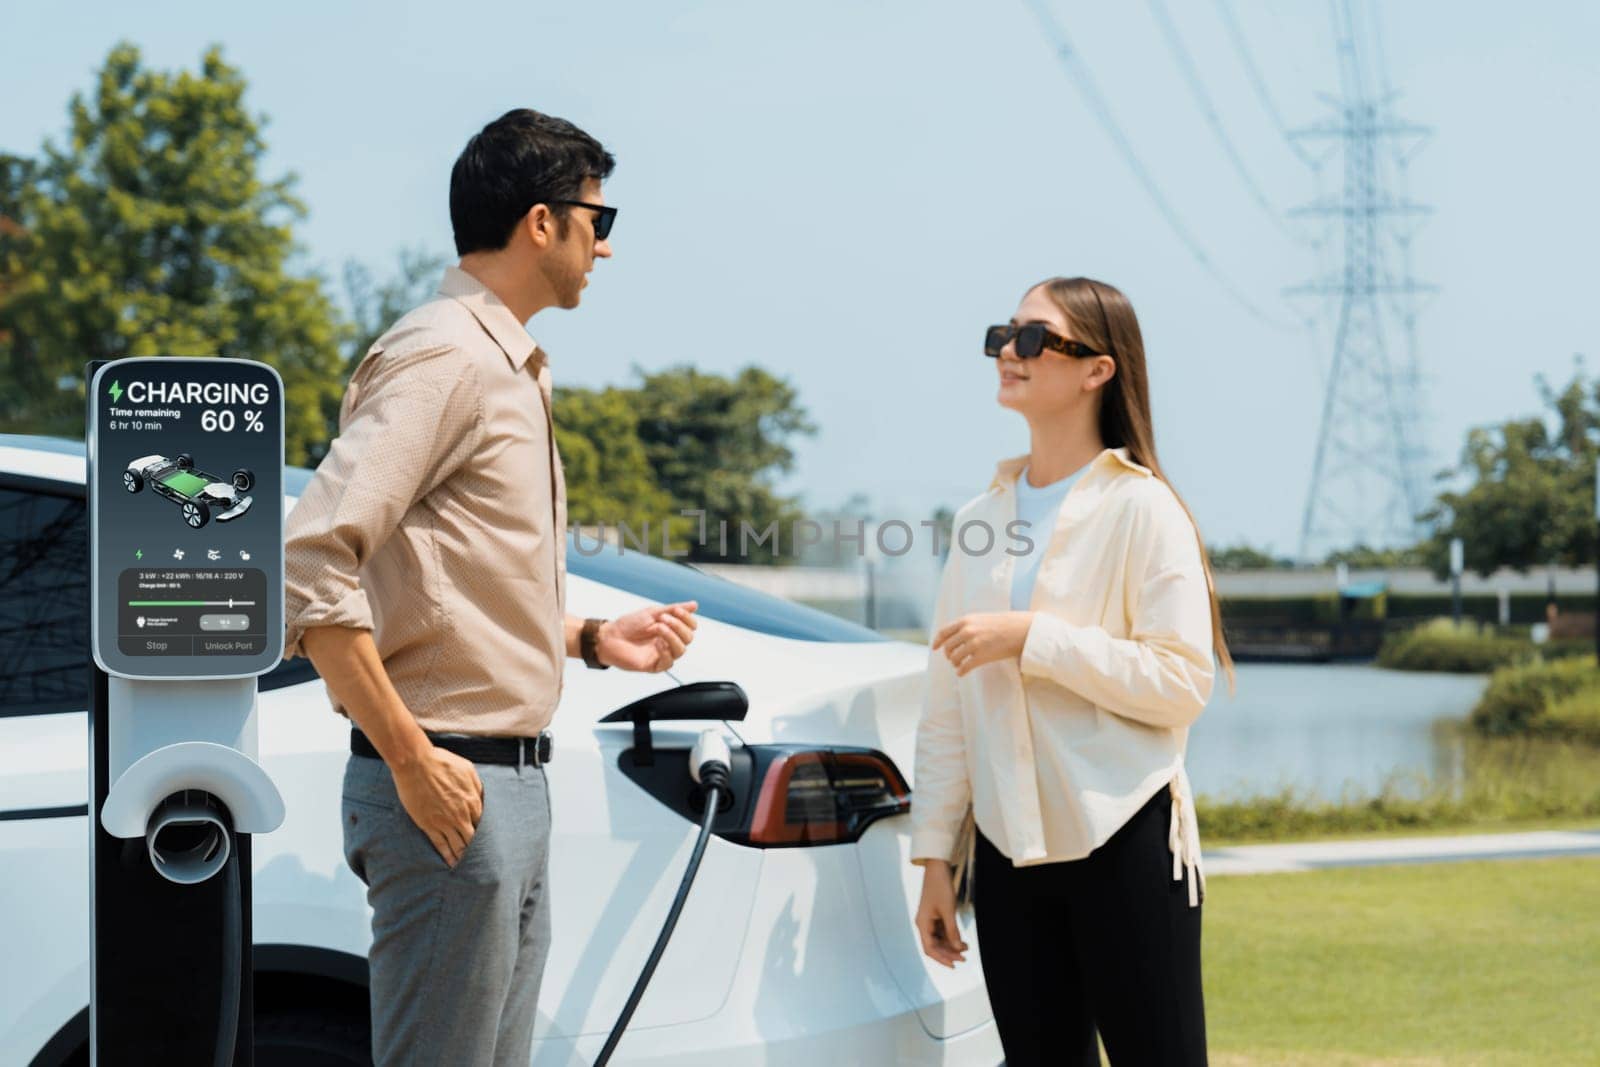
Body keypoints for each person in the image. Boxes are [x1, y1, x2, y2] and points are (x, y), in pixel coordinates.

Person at [282, 108, 700, 1065]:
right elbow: (313, 559)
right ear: (541, 222)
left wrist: (594, 637)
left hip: (506, 784)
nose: (604, 246)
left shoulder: (506, 362)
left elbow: (449, 589)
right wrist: (411, 760)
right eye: (601, 219)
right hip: (447, 780)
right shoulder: (446, 357)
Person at [909, 276, 1234, 1066]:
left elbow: (1180, 682)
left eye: (1032, 338)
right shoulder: (979, 519)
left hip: (1124, 837)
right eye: (1003, 335)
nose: (1007, 354)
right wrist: (935, 860)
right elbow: (949, 702)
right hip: (1006, 855)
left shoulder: (1143, 509)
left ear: (1098, 368)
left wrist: (1034, 639)